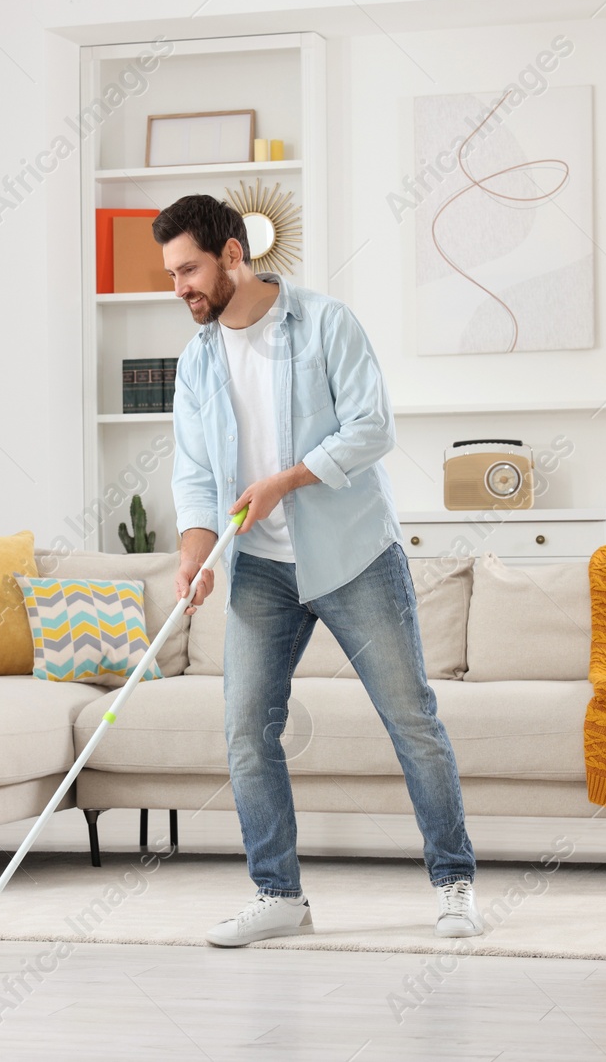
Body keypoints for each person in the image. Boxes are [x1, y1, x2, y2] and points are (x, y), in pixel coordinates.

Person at [153, 196, 482, 946]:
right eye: (172, 274)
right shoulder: (197, 359)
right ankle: (279, 896)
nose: (180, 288)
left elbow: (373, 427)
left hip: (354, 555)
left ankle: (454, 879)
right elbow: (195, 474)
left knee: (411, 720)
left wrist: (284, 481)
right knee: (244, 730)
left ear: (233, 253)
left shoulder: (326, 323)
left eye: (190, 269)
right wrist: (193, 558)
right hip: (261, 571)